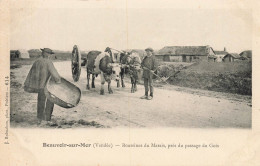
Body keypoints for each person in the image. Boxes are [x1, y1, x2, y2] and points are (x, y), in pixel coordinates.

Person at [24, 48, 61, 125]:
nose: (50, 56)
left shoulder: (37, 61)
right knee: (50, 101)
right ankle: (47, 118)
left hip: (39, 86)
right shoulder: (48, 62)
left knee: (40, 101)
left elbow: (32, 74)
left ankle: (39, 118)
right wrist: (58, 81)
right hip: (47, 86)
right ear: (47, 54)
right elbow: (55, 75)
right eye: (50, 54)